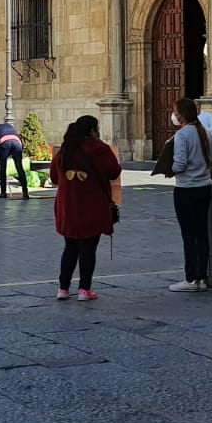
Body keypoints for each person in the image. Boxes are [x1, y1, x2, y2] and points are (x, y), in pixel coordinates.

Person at [49, 115, 122, 300]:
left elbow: (54, 177)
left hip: (68, 205)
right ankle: (84, 289)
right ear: (92, 131)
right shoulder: (100, 149)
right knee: (88, 248)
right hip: (92, 205)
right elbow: (114, 172)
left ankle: (63, 289)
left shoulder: (65, 149)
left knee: (70, 247)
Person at [167, 97, 212, 292]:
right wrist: (205, 175)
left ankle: (190, 279)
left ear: (181, 114)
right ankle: (202, 277)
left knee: (188, 235)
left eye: (175, 110)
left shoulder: (182, 135)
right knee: (202, 233)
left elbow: (179, 164)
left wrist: (169, 168)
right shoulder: (205, 133)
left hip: (186, 189)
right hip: (204, 187)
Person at [0, 116, 29, 199]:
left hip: (4, 143)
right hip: (17, 142)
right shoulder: (11, 127)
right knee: (19, 167)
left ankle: (3, 193)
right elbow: (20, 139)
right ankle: (25, 192)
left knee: (3, 168)